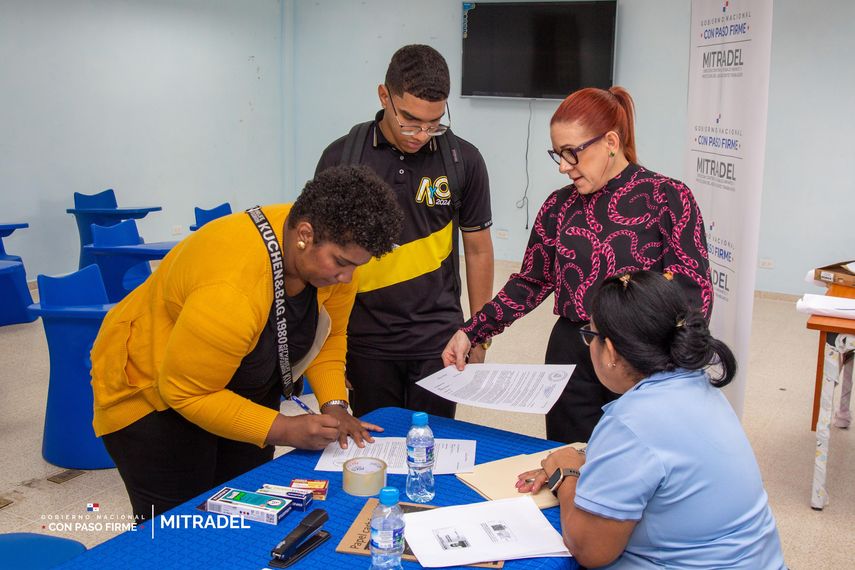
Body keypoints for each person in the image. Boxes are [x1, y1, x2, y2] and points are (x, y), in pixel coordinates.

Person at [90, 165, 403, 520]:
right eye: (342, 263)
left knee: (243, 509)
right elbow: (186, 392)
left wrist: (334, 405)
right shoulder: (232, 288)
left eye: (356, 266)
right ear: (305, 234)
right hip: (155, 397)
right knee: (182, 525)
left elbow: (328, 336)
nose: (347, 277)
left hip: (238, 385)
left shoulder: (329, 252)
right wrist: (285, 428)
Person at [443, 86, 711, 443]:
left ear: (610, 141)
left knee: (637, 458)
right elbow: (530, 282)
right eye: (558, 154)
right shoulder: (559, 206)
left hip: (643, 359)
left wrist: (670, 369)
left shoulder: (668, 197)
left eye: (572, 153)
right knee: (569, 456)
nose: (564, 167)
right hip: (572, 354)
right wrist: (472, 331)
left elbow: (694, 295)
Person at [518, 271, 785, 569]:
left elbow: (591, 551)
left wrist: (565, 472)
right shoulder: (701, 388)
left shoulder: (630, 422)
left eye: (590, 335)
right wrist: (589, 460)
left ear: (610, 351)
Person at [315, 45, 494, 419]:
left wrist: (479, 333)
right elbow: (321, 259)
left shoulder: (464, 160)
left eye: (434, 123)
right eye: (410, 120)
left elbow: (478, 250)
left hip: (439, 340)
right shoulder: (341, 158)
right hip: (364, 339)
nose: (422, 134)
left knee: (436, 441)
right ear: (384, 96)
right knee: (376, 443)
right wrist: (327, 347)